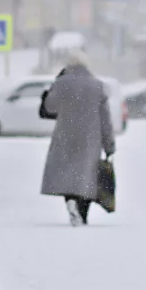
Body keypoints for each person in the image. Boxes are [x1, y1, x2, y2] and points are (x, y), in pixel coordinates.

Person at [39, 50, 116, 226]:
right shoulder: (97, 85)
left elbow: (50, 107)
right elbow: (105, 119)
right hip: (90, 137)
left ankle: (71, 202)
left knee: (67, 174)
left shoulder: (62, 83)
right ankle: (83, 214)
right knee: (86, 176)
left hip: (65, 134)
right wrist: (109, 145)